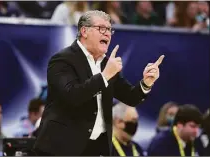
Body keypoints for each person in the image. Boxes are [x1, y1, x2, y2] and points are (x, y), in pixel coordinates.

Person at [33, 10, 164, 156]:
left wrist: (146, 83)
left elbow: (130, 97)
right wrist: (105, 76)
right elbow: (72, 95)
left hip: (95, 149)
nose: (107, 33)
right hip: (61, 148)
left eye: (109, 29)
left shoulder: (106, 64)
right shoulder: (62, 60)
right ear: (84, 31)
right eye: (101, 28)